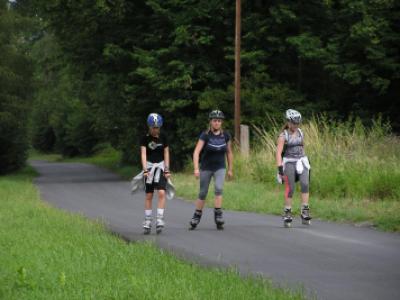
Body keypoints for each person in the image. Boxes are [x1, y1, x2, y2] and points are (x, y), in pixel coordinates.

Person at [189, 110, 233, 230]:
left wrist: (230, 169)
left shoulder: (226, 135)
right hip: (206, 167)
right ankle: (196, 216)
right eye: (215, 121)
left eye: (219, 121)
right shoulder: (205, 135)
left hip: (220, 167)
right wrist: (196, 168)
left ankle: (218, 215)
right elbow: (196, 152)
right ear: (211, 122)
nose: (217, 123)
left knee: (219, 188)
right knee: (203, 192)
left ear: (221, 122)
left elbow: (229, 152)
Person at [276, 109, 312, 228]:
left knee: (305, 184)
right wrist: (280, 168)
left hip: (301, 161)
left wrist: (307, 162)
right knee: (290, 188)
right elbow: (278, 153)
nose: (296, 125)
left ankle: (305, 211)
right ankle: (287, 213)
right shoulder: (283, 135)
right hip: (289, 162)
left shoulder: (301, 132)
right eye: (293, 123)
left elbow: (303, 147)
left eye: (297, 123)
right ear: (288, 122)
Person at [140, 113, 171, 234]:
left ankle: (159, 219)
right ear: (149, 126)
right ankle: (147, 221)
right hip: (149, 168)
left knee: (162, 192)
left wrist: (167, 169)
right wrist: (145, 170)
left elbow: (166, 153)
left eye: (157, 127)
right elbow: (143, 154)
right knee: (149, 195)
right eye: (153, 127)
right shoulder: (145, 138)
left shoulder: (163, 137)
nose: (155, 130)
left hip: (160, 167)